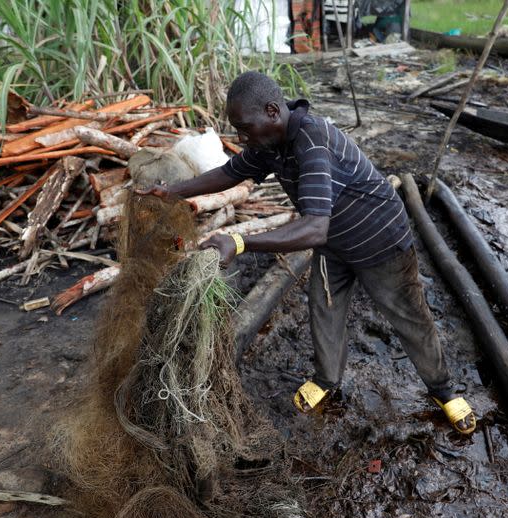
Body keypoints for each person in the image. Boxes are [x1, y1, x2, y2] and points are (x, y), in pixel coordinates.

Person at [137, 71, 475, 434]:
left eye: (243, 127)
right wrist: (173, 191)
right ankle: (327, 379)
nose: (240, 137)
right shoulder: (270, 142)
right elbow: (230, 172)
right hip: (334, 245)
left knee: (408, 316)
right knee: (324, 310)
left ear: (271, 111)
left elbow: (314, 227)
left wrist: (239, 242)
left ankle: (443, 390)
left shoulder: (312, 143)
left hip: (380, 242)